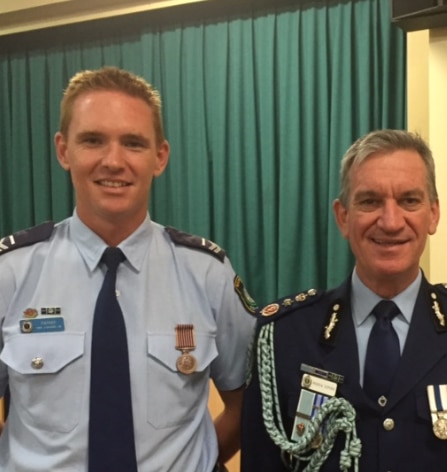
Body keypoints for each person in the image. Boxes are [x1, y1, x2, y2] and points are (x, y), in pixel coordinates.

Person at [0, 66, 256, 471]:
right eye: (93, 141)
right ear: (64, 150)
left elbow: (247, 407)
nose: (113, 161)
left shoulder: (207, 273)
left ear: (160, 157)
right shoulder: (10, 274)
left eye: (133, 143)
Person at [241, 129, 447, 471]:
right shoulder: (283, 335)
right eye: (369, 201)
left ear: (433, 214)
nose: (391, 221)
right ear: (343, 217)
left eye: (409, 200)